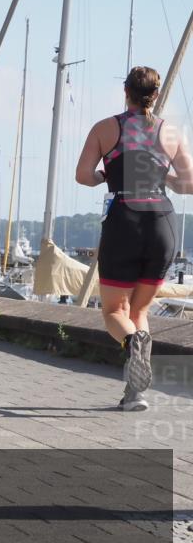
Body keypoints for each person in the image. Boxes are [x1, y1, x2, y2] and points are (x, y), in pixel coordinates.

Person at [75, 66, 193, 411]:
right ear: (155, 95)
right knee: (139, 310)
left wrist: (104, 176)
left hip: (124, 218)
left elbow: (83, 175)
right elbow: (189, 183)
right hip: (162, 222)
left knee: (115, 310)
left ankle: (132, 343)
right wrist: (164, 178)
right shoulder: (170, 133)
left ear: (125, 92)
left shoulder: (105, 128)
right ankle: (135, 394)